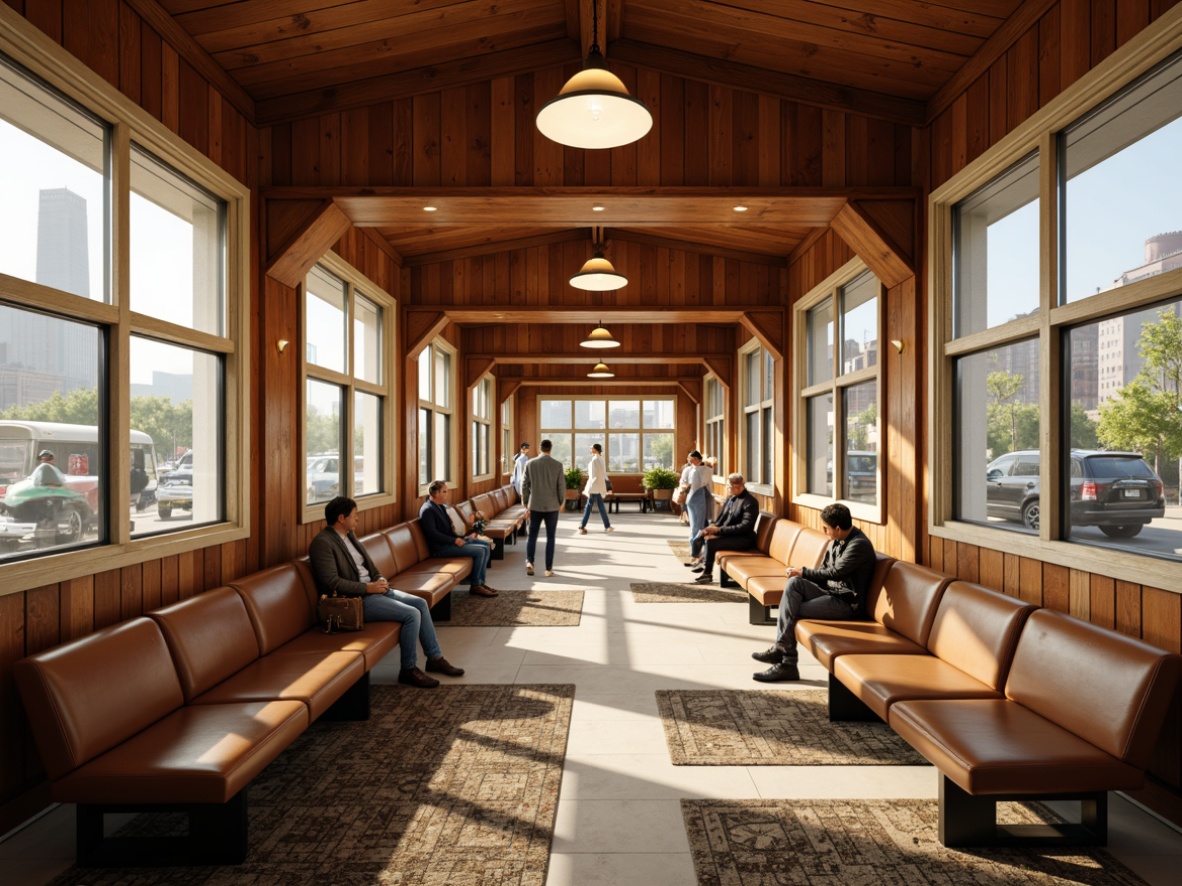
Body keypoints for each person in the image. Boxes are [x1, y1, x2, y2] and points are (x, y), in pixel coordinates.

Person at [309, 495, 464, 689]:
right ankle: (408, 669)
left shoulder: (349, 535)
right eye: (355, 515)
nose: (357, 519)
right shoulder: (322, 543)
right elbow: (331, 582)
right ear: (342, 518)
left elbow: (370, 566)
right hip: (356, 600)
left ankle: (434, 658)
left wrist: (380, 579)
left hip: (374, 589)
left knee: (420, 603)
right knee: (411, 614)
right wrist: (367, 588)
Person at [752, 503, 877, 683]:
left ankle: (786, 661)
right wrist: (801, 575)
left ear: (838, 528)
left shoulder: (859, 545)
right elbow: (824, 570)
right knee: (795, 583)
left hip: (846, 604)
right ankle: (783, 654)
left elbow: (835, 573)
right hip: (830, 593)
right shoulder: (836, 541)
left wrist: (804, 571)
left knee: (791, 610)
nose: (825, 531)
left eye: (826, 528)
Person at [418, 480, 497, 597]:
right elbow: (432, 534)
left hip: (449, 543)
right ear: (435, 493)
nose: (446, 494)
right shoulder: (427, 510)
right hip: (440, 548)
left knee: (485, 545)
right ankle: (475, 585)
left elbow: (448, 531)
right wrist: (454, 541)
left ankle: (480, 582)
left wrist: (463, 538)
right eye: (444, 491)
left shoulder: (440, 507)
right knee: (480, 551)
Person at [689, 472, 758, 584]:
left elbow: (746, 526)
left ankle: (707, 573)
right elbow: (722, 518)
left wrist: (720, 530)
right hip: (730, 535)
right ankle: (701, 561)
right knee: (705, 535)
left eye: (728, 486)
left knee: (712, 543)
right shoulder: (731, 499)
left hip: (744, 539)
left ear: (737, 486)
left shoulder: (749, 502)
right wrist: (713, 527)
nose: (727, 488)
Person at [521, 438, 565, 577]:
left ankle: (530, 562)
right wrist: (560, 502)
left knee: (532, 535)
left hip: (535, 505)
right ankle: (548, 568)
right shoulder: (557, 465)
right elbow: (561, 486)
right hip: (552, 506)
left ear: (539, 449)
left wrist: (526, 502)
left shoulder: (530, 463)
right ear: (550, 449)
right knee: (550, 537)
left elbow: (524, 485)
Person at [678, 450, 713, 556]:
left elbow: (709, 485)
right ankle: (694, 550)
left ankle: (698, 551)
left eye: (690, 458)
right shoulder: (687, 470)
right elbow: (682, 482)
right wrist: (682, 491)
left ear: (697, 459)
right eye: (688, 458)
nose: (688, 460)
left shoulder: (707, 470)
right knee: (695, 525)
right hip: (691, 498)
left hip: (703, 497)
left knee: (701, 525)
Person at [577, 443, 613, 534]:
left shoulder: (594, 460)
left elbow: (592, 476)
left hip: (594, 487)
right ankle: (607, 526)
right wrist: (608, 487)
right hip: (599, 486)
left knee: (588, 507)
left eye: (591, 448)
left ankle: (582, 526)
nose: (590, 449)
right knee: (600, 507)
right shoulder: (601, 459)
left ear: (596, 449)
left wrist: (587, 489)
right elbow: (604, 474)